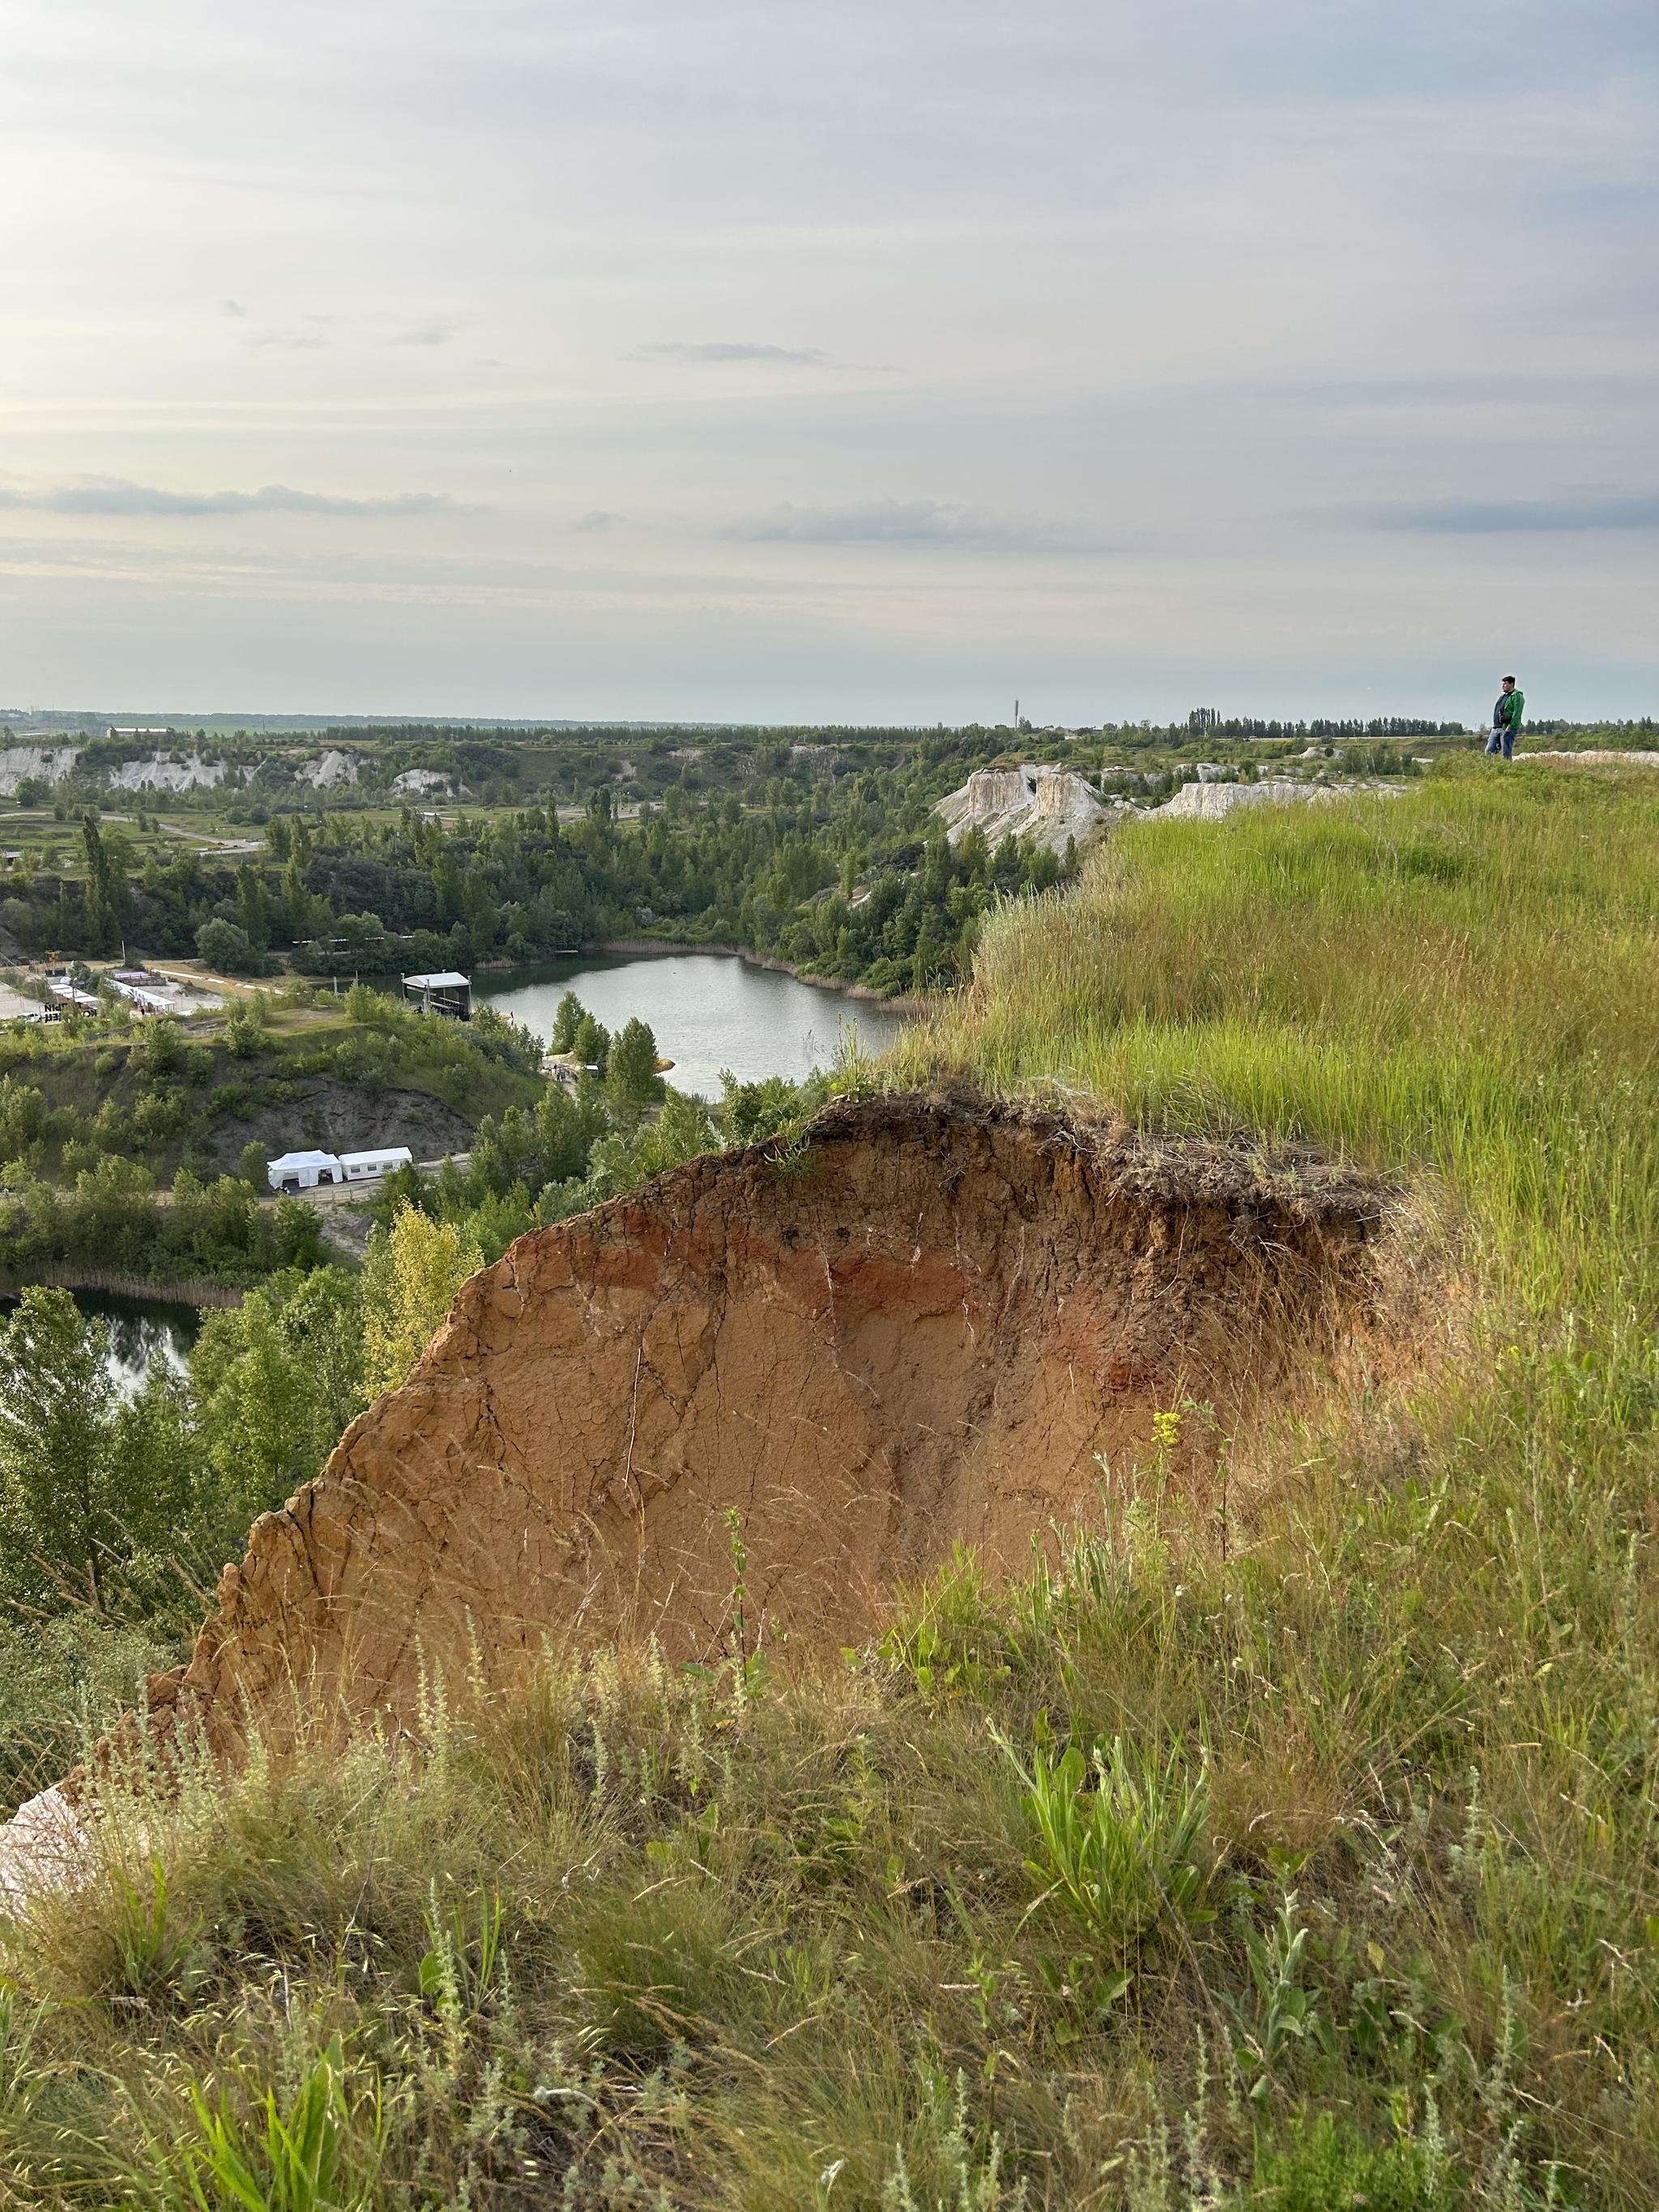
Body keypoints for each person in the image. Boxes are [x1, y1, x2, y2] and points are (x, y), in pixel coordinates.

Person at [1486, 676, 1525, 759]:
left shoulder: (1517, 696)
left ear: (1511, 684)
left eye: (1505, 684)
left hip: (1507, 728)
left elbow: (1517, 712)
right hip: (1496, 727)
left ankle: (1507, 769)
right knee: (1489, 751)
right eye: (1502, 684)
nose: (1503, 686)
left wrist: (1510, 726)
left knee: (1506, 752)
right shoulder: (1502, 697)